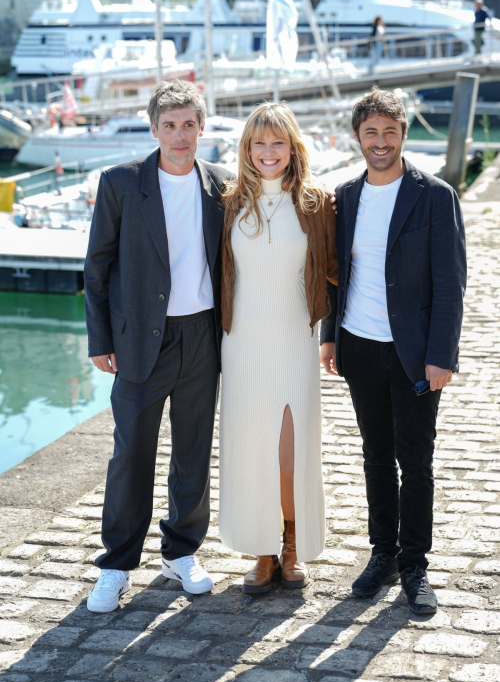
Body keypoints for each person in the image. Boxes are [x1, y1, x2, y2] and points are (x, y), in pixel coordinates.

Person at [83, 79, 234, 612]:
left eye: (189, 125)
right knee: (131, 455)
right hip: (140, 340)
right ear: (154, 130)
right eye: (169, 126)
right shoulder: (122, 183)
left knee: (192, 451)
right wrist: (100, 339)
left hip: (201, 336)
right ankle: (118, 564)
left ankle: (181, 552)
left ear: (201, 128)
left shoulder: (221, 184)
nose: (180, 135)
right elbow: (97, 266)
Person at [320, 89, 466, 615]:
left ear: (403, 134)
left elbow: (451, 283)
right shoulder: (346, 196)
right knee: (375, 457)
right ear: (357, 137)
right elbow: (339, 276)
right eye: (370, 133)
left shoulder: (434, 196)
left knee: (416, 461)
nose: (380, 142)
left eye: (389, 131)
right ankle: (381, 554)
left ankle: (414, 564)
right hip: (359, 346)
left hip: (414, 354)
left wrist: (441, 355)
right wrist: (330, 335)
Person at [219, 101, 338, 595]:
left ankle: (292, 544)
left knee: (289, 452)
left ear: (293, 148)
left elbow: (334, 275)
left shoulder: (316, 204)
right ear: (247, 149)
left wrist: (331, 338)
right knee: (251, 450)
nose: (269, 152)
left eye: (278, 142)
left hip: (294, 338)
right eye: (259, 143)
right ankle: (263, 551)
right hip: (242, 342)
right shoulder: (229, 204)